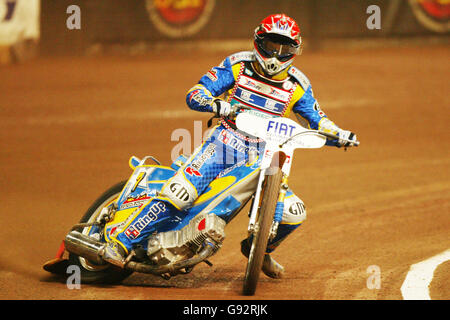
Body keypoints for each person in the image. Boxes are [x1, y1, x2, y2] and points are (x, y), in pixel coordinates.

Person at [102, 13, 358, 279]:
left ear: (295, 50)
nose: (275, 56)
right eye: (271, 46)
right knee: (181, 193)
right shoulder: (237, 65)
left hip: (263, 155)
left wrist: (340, 134)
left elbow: (318, 120)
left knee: (294, 213)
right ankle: (121, 243)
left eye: (284, 49)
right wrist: (220, 105)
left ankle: (259, 249)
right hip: (222, 143)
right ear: (259, 41)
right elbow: (196, 93)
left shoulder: (298, 85)